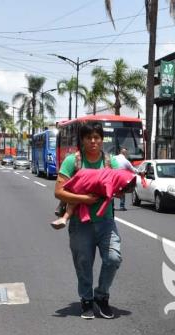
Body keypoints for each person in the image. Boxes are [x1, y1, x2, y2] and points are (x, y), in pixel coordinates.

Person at [54, 121, 122, 320]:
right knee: (83, 263)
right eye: (88, 138)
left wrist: (120, 188)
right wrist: (85, 199)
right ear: (82, 140)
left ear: (102, 139)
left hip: (106, 221)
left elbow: (118, 187)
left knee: (113, 259)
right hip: (79, 223)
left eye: (97, 137)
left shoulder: (110, 162)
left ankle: (101, 296)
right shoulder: (72, 161)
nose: (93, 141)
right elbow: (58, 192)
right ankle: (86, 299)